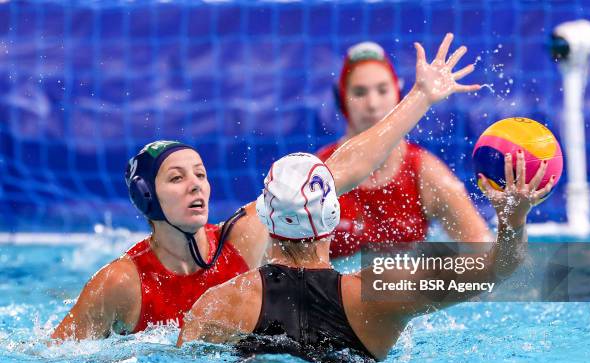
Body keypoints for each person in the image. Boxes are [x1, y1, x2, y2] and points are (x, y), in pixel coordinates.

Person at [52, 33, 480, 341]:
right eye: (176, 178)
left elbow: (339, 171)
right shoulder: (120, 283)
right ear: (148, 197)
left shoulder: (241, 237)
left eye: (200, 174)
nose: (194, 186)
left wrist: (421, 97)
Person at [177, 150, 555, 363]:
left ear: (264, 217)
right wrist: (512, 219)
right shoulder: (382, 290)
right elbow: (497, 269)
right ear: (333, 217)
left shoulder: (219, 304)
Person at [317, 41, 492, 259]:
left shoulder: (424, 172)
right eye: (360, 92)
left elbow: (481, 249)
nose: (372, 103)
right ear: (341, 98)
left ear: (397, 92)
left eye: (382, 90)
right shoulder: (320, 174)